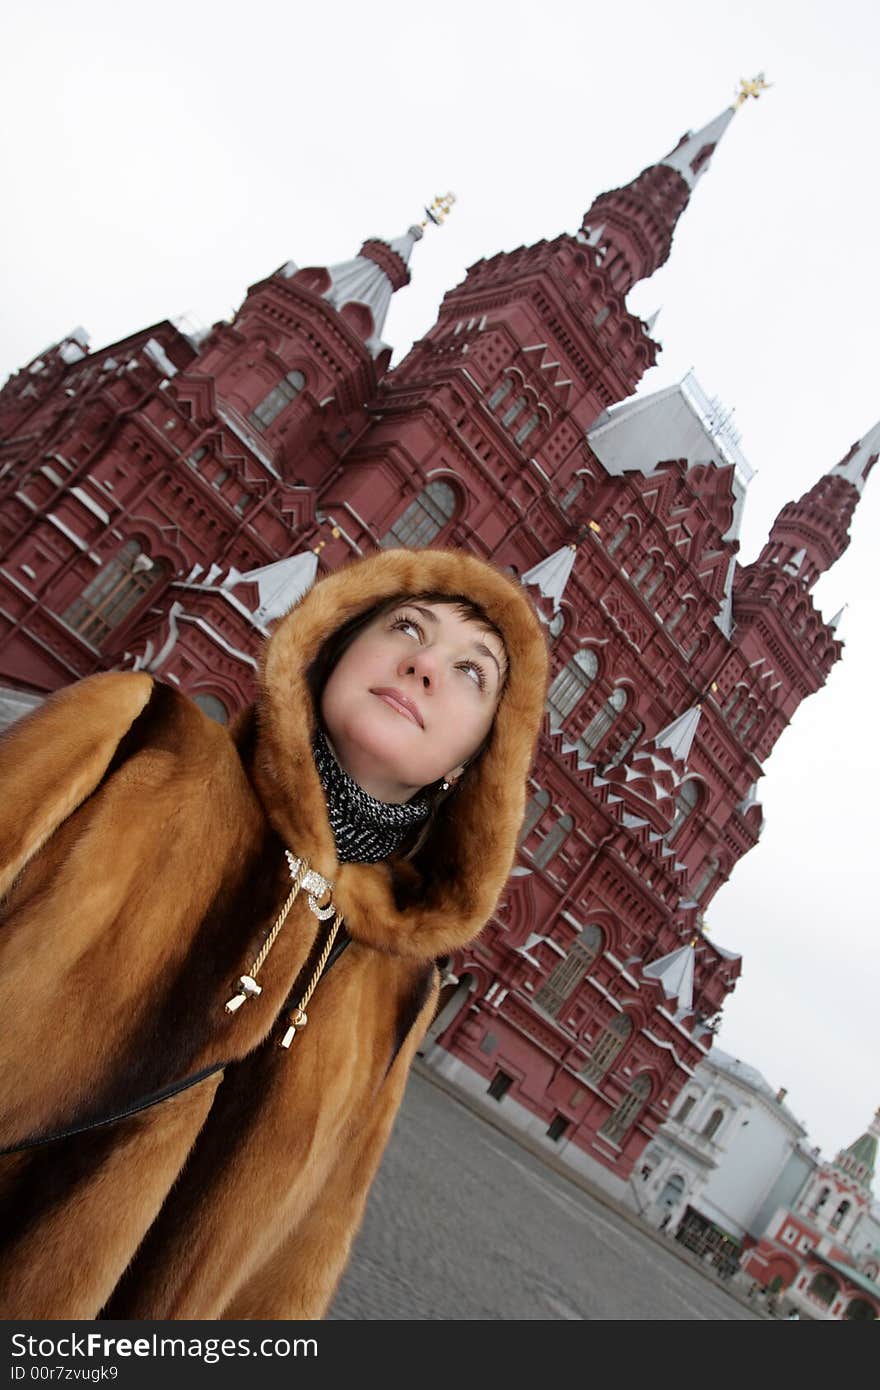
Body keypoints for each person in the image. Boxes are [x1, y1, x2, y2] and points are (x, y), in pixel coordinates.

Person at [0, 547, 549, 1319]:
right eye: (405, 626)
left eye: (473, 672)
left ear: (476, 760)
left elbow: (295, 1265)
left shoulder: (397, 988)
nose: (426, 664)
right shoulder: (129, 743)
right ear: (330, 651)